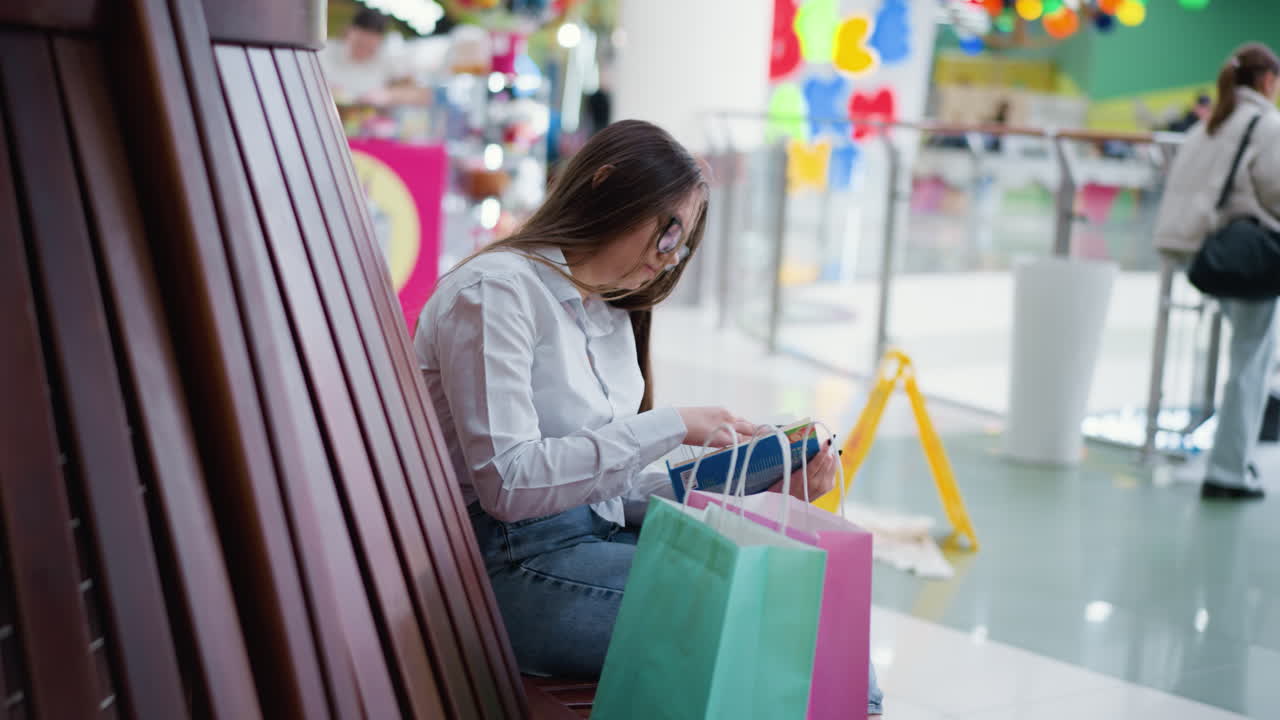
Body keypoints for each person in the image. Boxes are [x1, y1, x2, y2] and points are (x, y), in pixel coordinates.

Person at [415, 120, 884, 715]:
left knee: (812, 599)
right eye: (668, 234)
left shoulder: (608, 311)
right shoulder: (496, 291)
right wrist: (668, 425)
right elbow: (510, 484)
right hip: (509, 569)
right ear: (606, 185)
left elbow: (607, 488)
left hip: (585, 544)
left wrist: (751, 477)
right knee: (788, 624)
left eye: (680, 246)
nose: (667, 261)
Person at [1154, 43, 1280, 500]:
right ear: (1268, 80)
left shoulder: (1210, 124)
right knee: (1252, 361)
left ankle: (1231, 459)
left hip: (1200, 254)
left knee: (1247, 357)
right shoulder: (1265, 124)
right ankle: (1229, 470)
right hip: (1241, 256)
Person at [320, 8, 427, 106]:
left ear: (380, 42)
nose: (363, 50)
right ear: (347, 32)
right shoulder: (322, 51)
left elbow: (421, 94)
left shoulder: (387, 59)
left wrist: (389, 95)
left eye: (369, 47)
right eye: (359, 44)